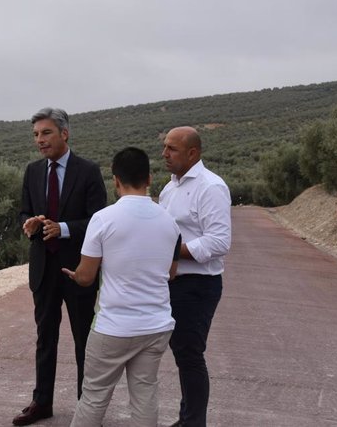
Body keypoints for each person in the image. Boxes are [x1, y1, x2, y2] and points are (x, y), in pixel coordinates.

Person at [63, 147, 181, 427]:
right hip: (156, 325)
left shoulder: (103, 219)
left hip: (114, 327)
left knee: (93, 397)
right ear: (150, 179)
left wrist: (75, 274)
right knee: (145, 396)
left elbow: (86, 276)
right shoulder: (170, 221)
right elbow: (171, 273)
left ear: (115, 180)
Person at [14, 107, 107, 426]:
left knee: (84, 339)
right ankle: (42, 403)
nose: (40, 140)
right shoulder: (32, 171)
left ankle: (87, 406)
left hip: (78, 269)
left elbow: (99, 220)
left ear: (64, 134)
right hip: (43, 269)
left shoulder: (88, 171)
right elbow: (23, 211)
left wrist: (63, 228)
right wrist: (29, 224)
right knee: (45, 337)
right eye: (36, 135)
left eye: (46, 133)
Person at [159, 127, 232, 427]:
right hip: (173, 284)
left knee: (190, 356)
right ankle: (186, 418)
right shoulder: (169, 188)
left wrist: (174, 252)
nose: (164, 154)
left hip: (198, 286)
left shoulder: (210, 187)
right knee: (182, 354)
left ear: (193, 153)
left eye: (172, 149)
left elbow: (219, 242)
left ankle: (193, 423)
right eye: (164, 147)